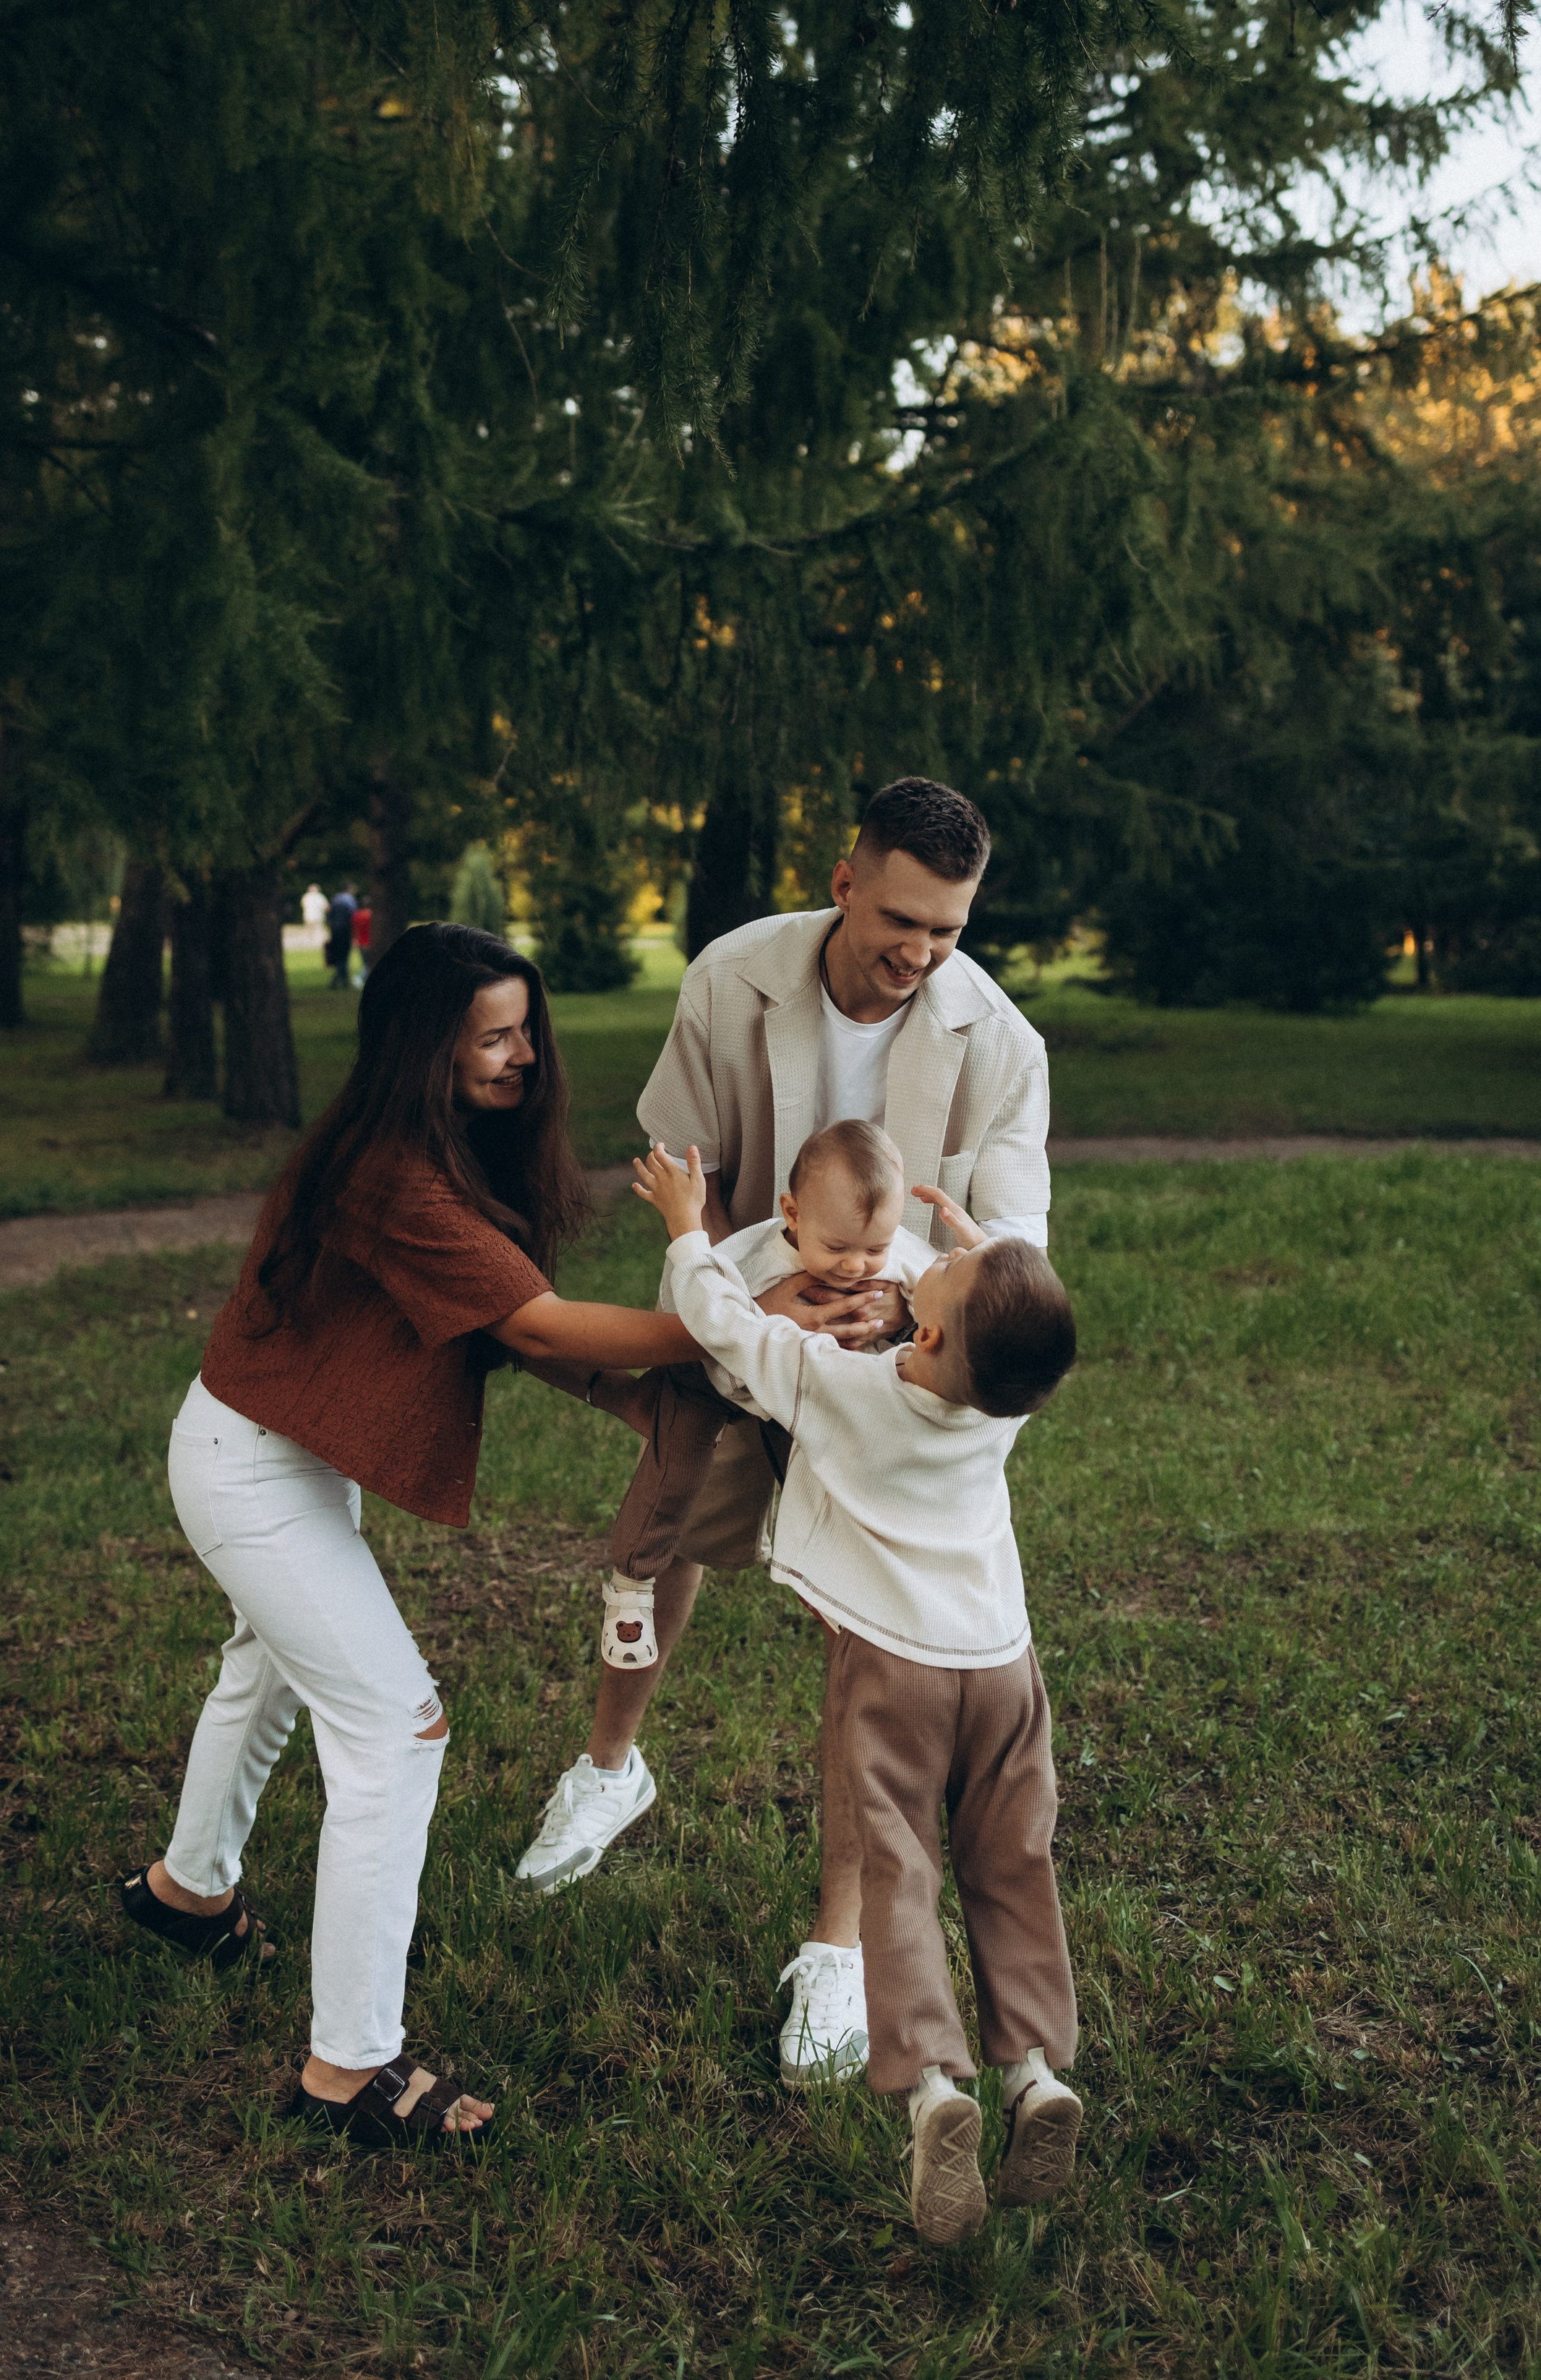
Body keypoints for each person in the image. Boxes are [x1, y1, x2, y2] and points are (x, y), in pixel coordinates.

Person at [119, 925, 704, 2146]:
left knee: (265, 1674)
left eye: (526, 1030)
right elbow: (534, 1325)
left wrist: (637, 1398)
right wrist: (732, 1329)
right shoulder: (390, 1175)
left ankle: (187, 1894)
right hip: (252, 1470)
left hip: (276, 1453)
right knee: (400, 1729)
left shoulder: (444, 1154)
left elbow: (497, 1324)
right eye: (491, 1037)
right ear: (419, 1048)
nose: (523, 1056)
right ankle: (350, 2071)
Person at [514, 775, 1054, 2089]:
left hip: (889, 1376)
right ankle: (610, 1769)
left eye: (949, 930)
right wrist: (753, 1306)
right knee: (668, 1541)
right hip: (741, 1322)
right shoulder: (730, 979)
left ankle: (839, 1945)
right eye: (901, 920)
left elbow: (1011, 1256)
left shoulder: (1001, 1047)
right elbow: (679, 1181)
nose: (920, 954)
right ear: (845, 880)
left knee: (875, 1653)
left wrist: (896, 1316)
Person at [633, 1141, 1082, 2244]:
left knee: (898, 1868)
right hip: (1005, 1668)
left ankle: (934, 2087)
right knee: (1011, 1860)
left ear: (924, 1335)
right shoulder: (1006, 1401)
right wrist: (983, 1256)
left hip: (896, 1667)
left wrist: (687, 1228)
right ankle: (1032, 2072)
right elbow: (1007, 1323)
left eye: (941, 1268)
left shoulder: (841, 1389)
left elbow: (725, 1325)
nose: (926, 1259)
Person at [597, 1118, 936, 1668]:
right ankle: (635, 1580)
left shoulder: (898, 1253)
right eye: (837, 1247)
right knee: (676, 1457)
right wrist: (689, 1231)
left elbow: (948, 1291)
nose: (856, 1265)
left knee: (844, 1486)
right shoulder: (755, 1257)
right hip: (723, 1384)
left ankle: (849, 1591)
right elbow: (701, 1301)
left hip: (819, 1396)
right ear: (793, 1213)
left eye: (876, 1247)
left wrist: (906, 1310)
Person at [326, 882, 357, 988]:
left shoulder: (335, 899)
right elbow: (353, 916)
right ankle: (337, 980)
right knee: (344, 955)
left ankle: (344, 980)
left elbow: (330, 915)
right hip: (345, 930)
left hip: (335, 930)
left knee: (339, 955)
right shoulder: (350, 900)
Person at [300, 883, 329, 959]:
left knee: (309, 930)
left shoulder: (306, 896)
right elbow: (326, 907)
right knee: (318, 931)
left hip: (309, 916)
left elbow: (303, 905)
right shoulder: (320, 897)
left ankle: (309, 943)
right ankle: (317, 944)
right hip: (318, 917)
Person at [351, 894, 374, 987]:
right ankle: (359, 978)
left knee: (365, 963)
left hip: (360, 942)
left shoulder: (356, 915)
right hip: (369, 942)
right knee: (369, 964)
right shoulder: (371, 915)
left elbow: (354, 929)